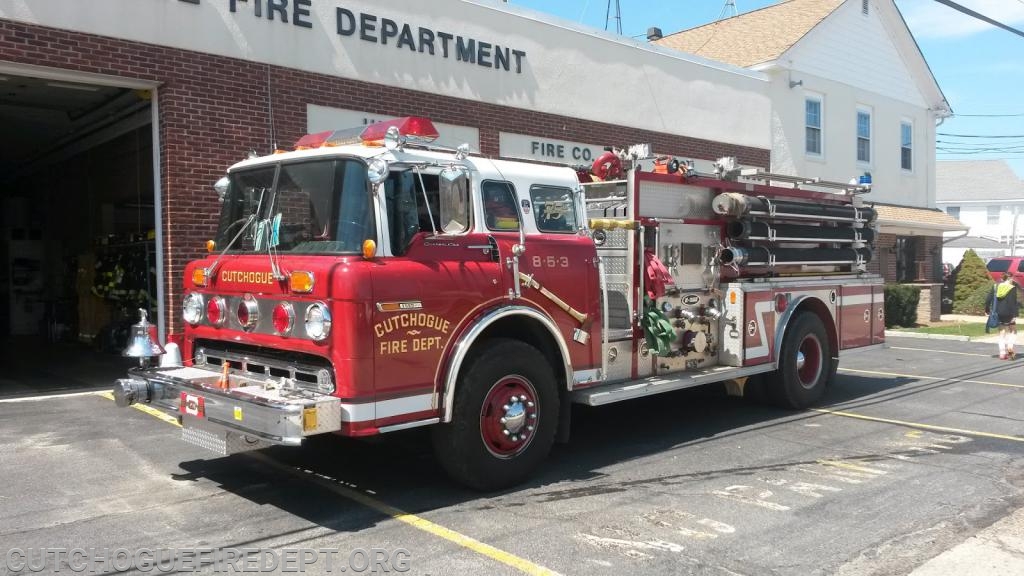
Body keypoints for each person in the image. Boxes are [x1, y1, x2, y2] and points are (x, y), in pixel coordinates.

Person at [986, 272, 1019, 360]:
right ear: (1009, 279)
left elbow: (988, 299)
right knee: (1013, 331)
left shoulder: (996, 286)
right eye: (1012, 278)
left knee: (1001, 332)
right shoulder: (1012, 288)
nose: (1013, 280)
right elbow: (1013, 303)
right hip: (1009, 313)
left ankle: (1002, 353)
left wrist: (987, 310)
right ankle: (1010, 346)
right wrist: (1015, 315)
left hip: (998, 313)